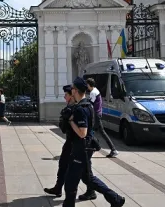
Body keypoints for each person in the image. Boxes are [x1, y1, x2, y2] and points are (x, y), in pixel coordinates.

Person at [63, 77, 125, 207]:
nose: (71, 90)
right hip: (86, 147)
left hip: (81, 149)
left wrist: (70, 121)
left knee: (70, 182)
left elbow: (82, 133)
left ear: (76, 91)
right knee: (88, 178)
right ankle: (115, 199)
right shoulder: (88, 104)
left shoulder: (81, 108)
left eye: (72, 88)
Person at [44, 84, 77, 197]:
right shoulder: (70, 107)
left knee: (85, 174)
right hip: (70, 141)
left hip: (75, 143)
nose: (64, 97)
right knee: (63, 164)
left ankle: (111, 195)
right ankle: (58, 188)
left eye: (66, 94)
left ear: (71, 95)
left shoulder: (76, 108)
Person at [86, 78, 118, 159]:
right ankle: (112, 150)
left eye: (87, 85)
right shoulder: (96, 90)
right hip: (98, 113)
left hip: (96, 114)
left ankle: (92, 148)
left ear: (89, 84)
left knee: (91, 132)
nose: (86, 86)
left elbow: (91, 104)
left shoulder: (93, 92)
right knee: (99, 132)